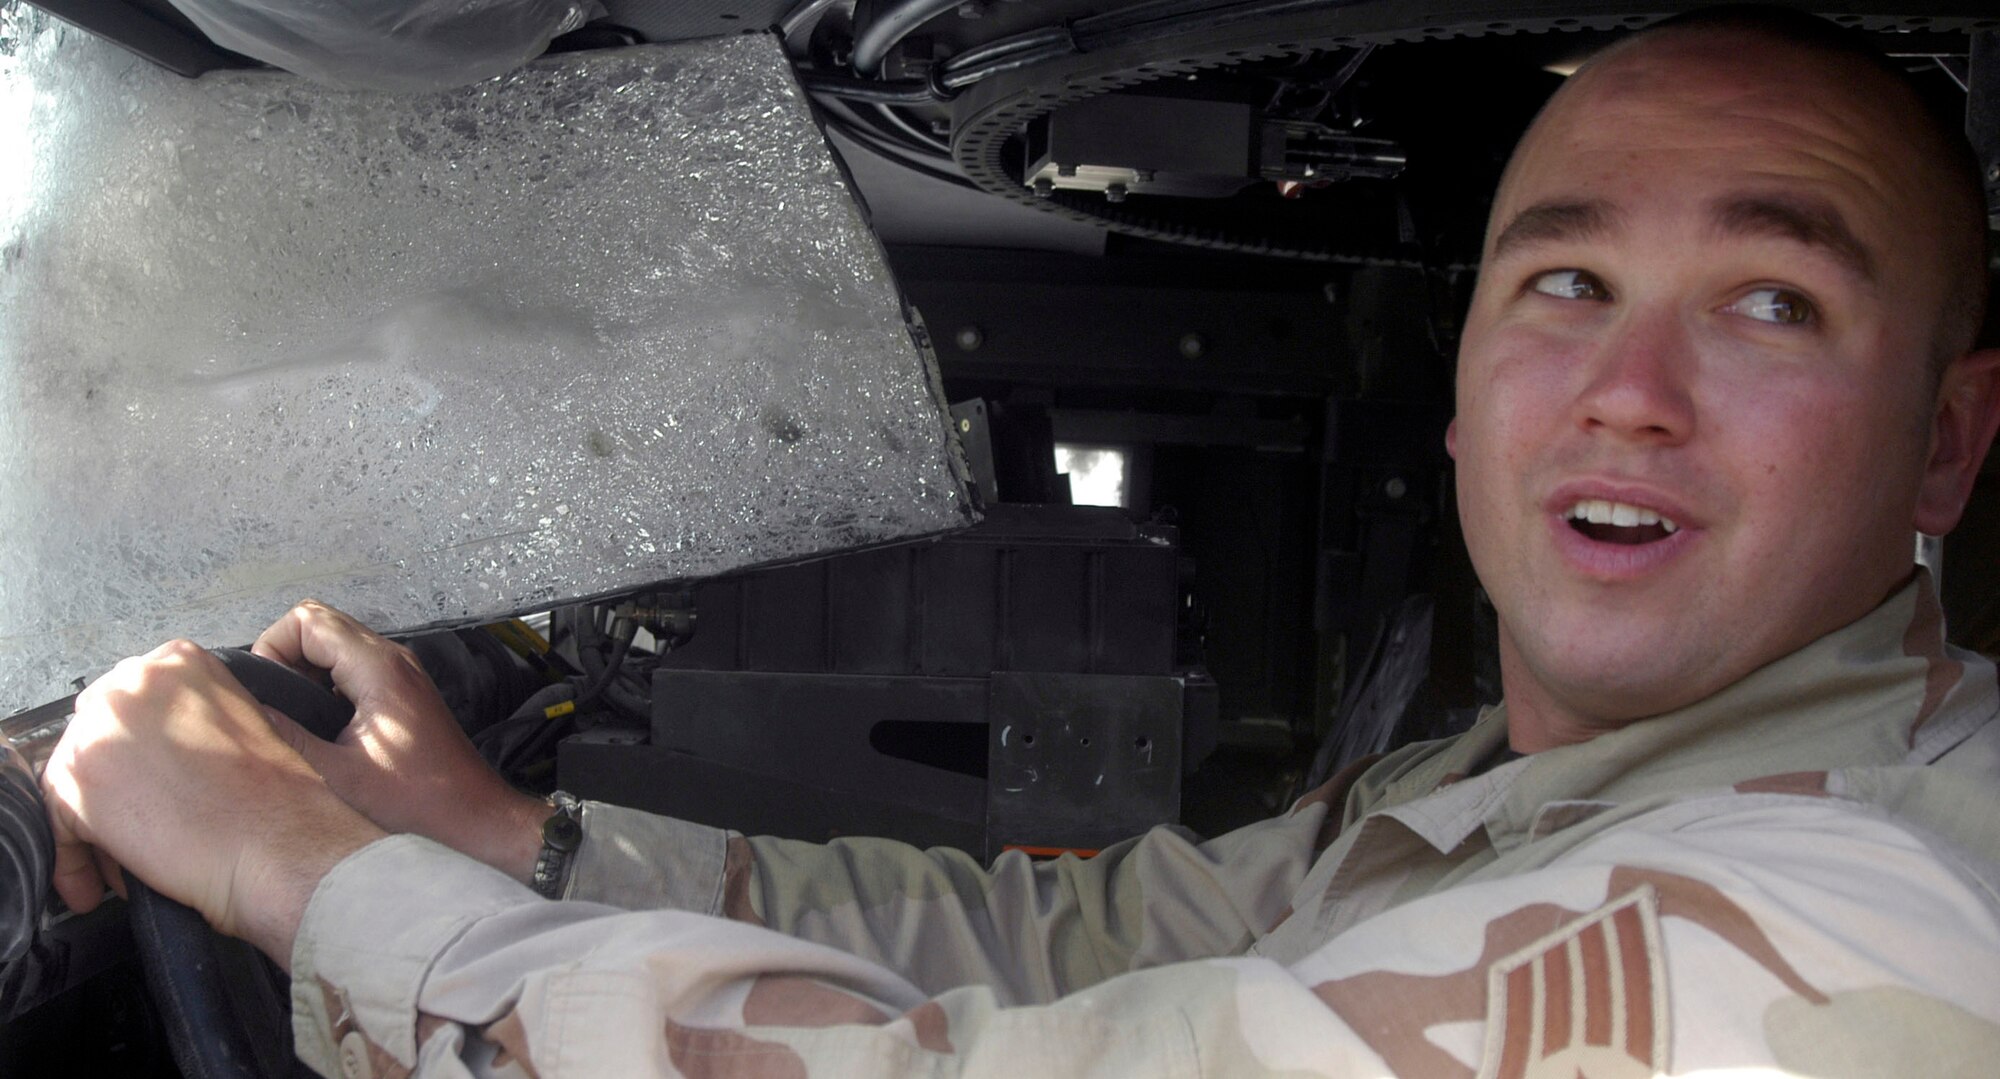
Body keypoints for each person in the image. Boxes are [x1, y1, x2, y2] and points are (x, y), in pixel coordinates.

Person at [36, 7, 2000, 1076]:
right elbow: (1094, 945)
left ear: (1945, 442)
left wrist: (305, 882)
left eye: (1769, 306)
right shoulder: (1493, 804)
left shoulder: (1891, 916)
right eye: (1561, 281)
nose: (1625, 388)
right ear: (1470, 371)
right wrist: (511, 844)